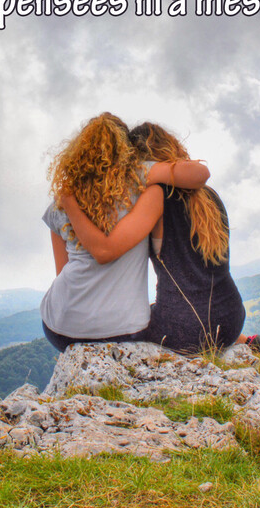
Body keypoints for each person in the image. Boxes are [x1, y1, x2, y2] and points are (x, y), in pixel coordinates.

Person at [61, 122, 251, 355]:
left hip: (186, 330)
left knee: (130, 324)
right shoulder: (210, 196)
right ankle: (250, 342)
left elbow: (108, 250)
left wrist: (73, 204)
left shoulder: (155, 197)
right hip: (232, 318)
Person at [40, 113, 209, 352]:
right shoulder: (139, 177)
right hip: (124, 330)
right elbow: (200, 174)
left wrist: (69, 201)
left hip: (60, 327)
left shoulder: (62, 202)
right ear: (125, 148)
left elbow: (62, 272)